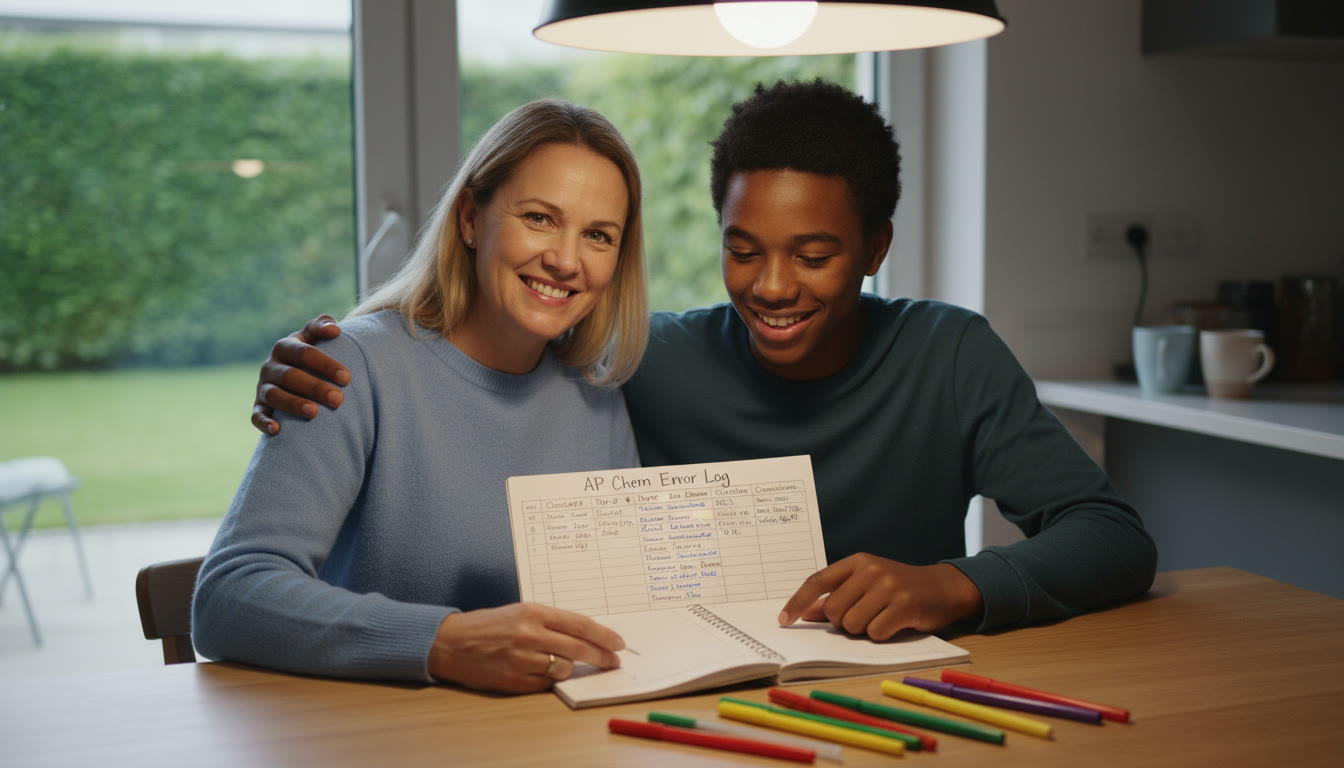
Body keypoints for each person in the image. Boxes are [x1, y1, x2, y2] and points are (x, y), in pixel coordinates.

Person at [251, 80, 1157, 642]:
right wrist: (323, 358)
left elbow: (1115, 538)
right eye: (741, 248)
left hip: (876, 702)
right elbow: (477, 346)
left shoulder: (943, 353)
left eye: (814, 254)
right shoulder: (635, 365)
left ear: (876, 248)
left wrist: (954, 584)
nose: (771, 286)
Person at [193, 97, 652, 694]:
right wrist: (442, 642)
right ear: (469, 218)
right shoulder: (349, 366)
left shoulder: (597, 395)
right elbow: (228, 596)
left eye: (597, 235)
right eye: (539, 217)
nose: (565, 260)